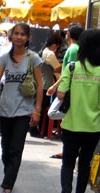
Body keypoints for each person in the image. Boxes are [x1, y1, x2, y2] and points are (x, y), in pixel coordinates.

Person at [0, 23, 44, 193]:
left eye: (22, 34)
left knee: (16, 149)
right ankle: (8, 175)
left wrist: (37, 110)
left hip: (24, 111)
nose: (19, 37)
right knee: (5, 150)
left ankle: (8, 186)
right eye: (16, 34)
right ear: (11, 36)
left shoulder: (34, 58)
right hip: (5, 110)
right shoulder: (4, 58)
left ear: (28, 37)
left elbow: (40, 86)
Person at [56, 29, 100, 193]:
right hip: (93, 127)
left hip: (72, 124)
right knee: (84, 165)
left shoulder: (73, 67)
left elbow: (60, 94)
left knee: (68, 162)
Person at [46, 23, 84, 159]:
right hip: (69, 88)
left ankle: (67, 150)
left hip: (67, 89)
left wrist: (55, 86)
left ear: (68, 34)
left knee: (53, 112)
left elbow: (68, 72)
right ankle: (66, 149)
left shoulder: (72, 50)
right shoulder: (76, 49)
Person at [36, 33, 63, 137]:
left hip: (41, 82)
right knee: (43, 107)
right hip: (46, 84)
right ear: (55, 45)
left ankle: (37, 129)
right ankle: (38, 129)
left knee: (40, 106)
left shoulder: (43, 51)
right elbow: (57, 68)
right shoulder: (50, 54)